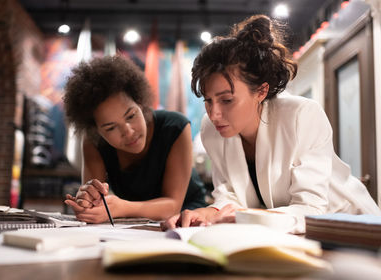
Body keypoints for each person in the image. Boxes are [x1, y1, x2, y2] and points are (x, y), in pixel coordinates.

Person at [162, 15, 381, 233]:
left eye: (227, 100)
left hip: (352, 229)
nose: (214, 114)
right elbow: (230, 194)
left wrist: (245, 216)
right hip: (290, 236)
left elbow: (312, 208)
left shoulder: (301, 116)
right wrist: (208, 212)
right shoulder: (211, 130)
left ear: (261, 91)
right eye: (208, 100)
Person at [63, 55, 206, 223]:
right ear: (96, 130)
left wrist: (121, 208)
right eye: (110, 127)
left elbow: (172, 206)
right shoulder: (93, 142)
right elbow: (96, 201)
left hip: (187, 220)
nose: (128, 131)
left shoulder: (175, 127)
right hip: (133, 225)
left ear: (141, 102)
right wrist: (88, 200)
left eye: (131, 116)